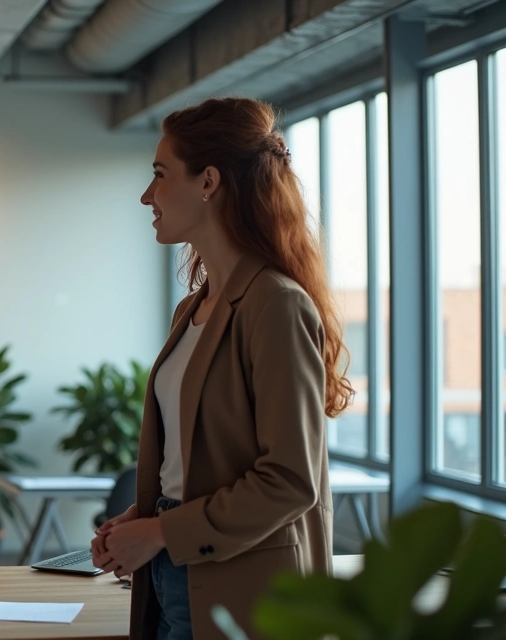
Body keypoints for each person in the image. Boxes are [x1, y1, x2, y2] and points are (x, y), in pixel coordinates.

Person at [91, 97, 352, 640]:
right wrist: (141, 518)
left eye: (160, 176)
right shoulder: (194, 307)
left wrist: (161, 530)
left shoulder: (275, 303)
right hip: (172, 573)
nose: (147, 196)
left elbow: (289, 479)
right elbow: (198, 459)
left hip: (241, 582)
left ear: (208, 181)